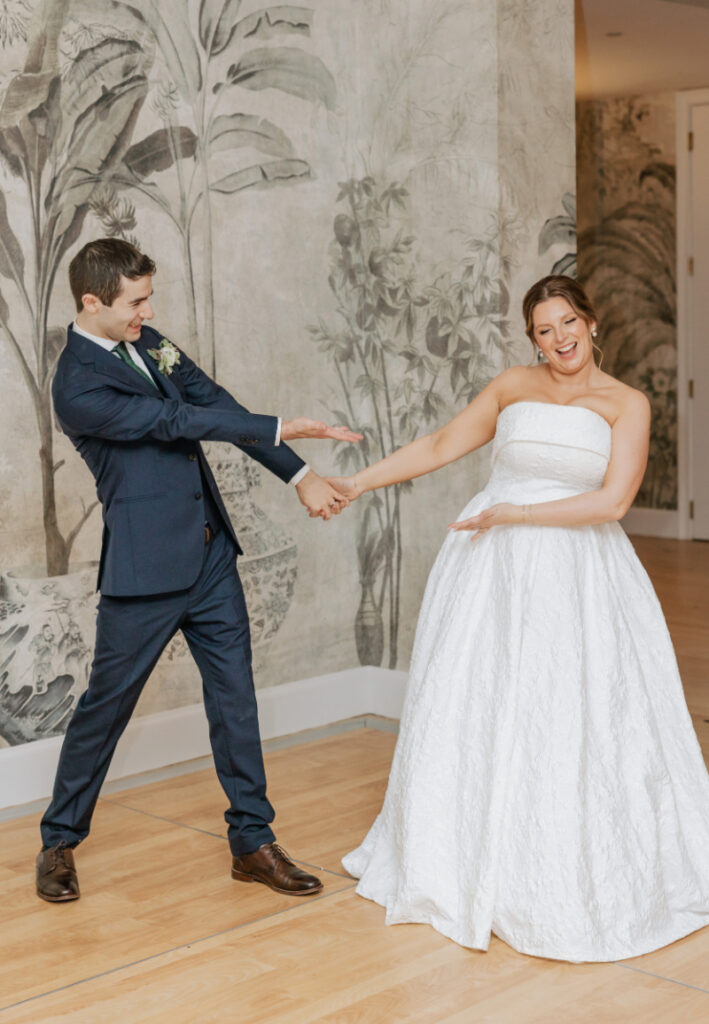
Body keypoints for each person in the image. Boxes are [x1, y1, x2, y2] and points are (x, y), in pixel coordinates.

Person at [333, 275, 709, 962]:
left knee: (563, 710)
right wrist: (356, 483)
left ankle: (557, 868)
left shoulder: (625, 403)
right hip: (489, 569)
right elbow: (440, 444)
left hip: (575, 572)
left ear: (590, 323)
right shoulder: (512, 386)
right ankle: (461, 856)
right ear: (532, 339)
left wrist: (520, 512)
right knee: (473, 703)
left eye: (567, 322)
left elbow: (613, 503)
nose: (558, 338)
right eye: (543, 329)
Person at [36, 238, 362, 903]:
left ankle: (252, 842)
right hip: (146, 570)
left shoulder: (147, 341)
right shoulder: (77, 385)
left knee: (235, 697)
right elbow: (173, 419)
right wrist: (279, 426)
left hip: (211, 554)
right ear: (91, 302)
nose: (148, 313)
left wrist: (299, 475)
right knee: (106, 707)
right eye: (135, 302)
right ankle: (59, 841)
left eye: (149, 298)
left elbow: (213, 398)